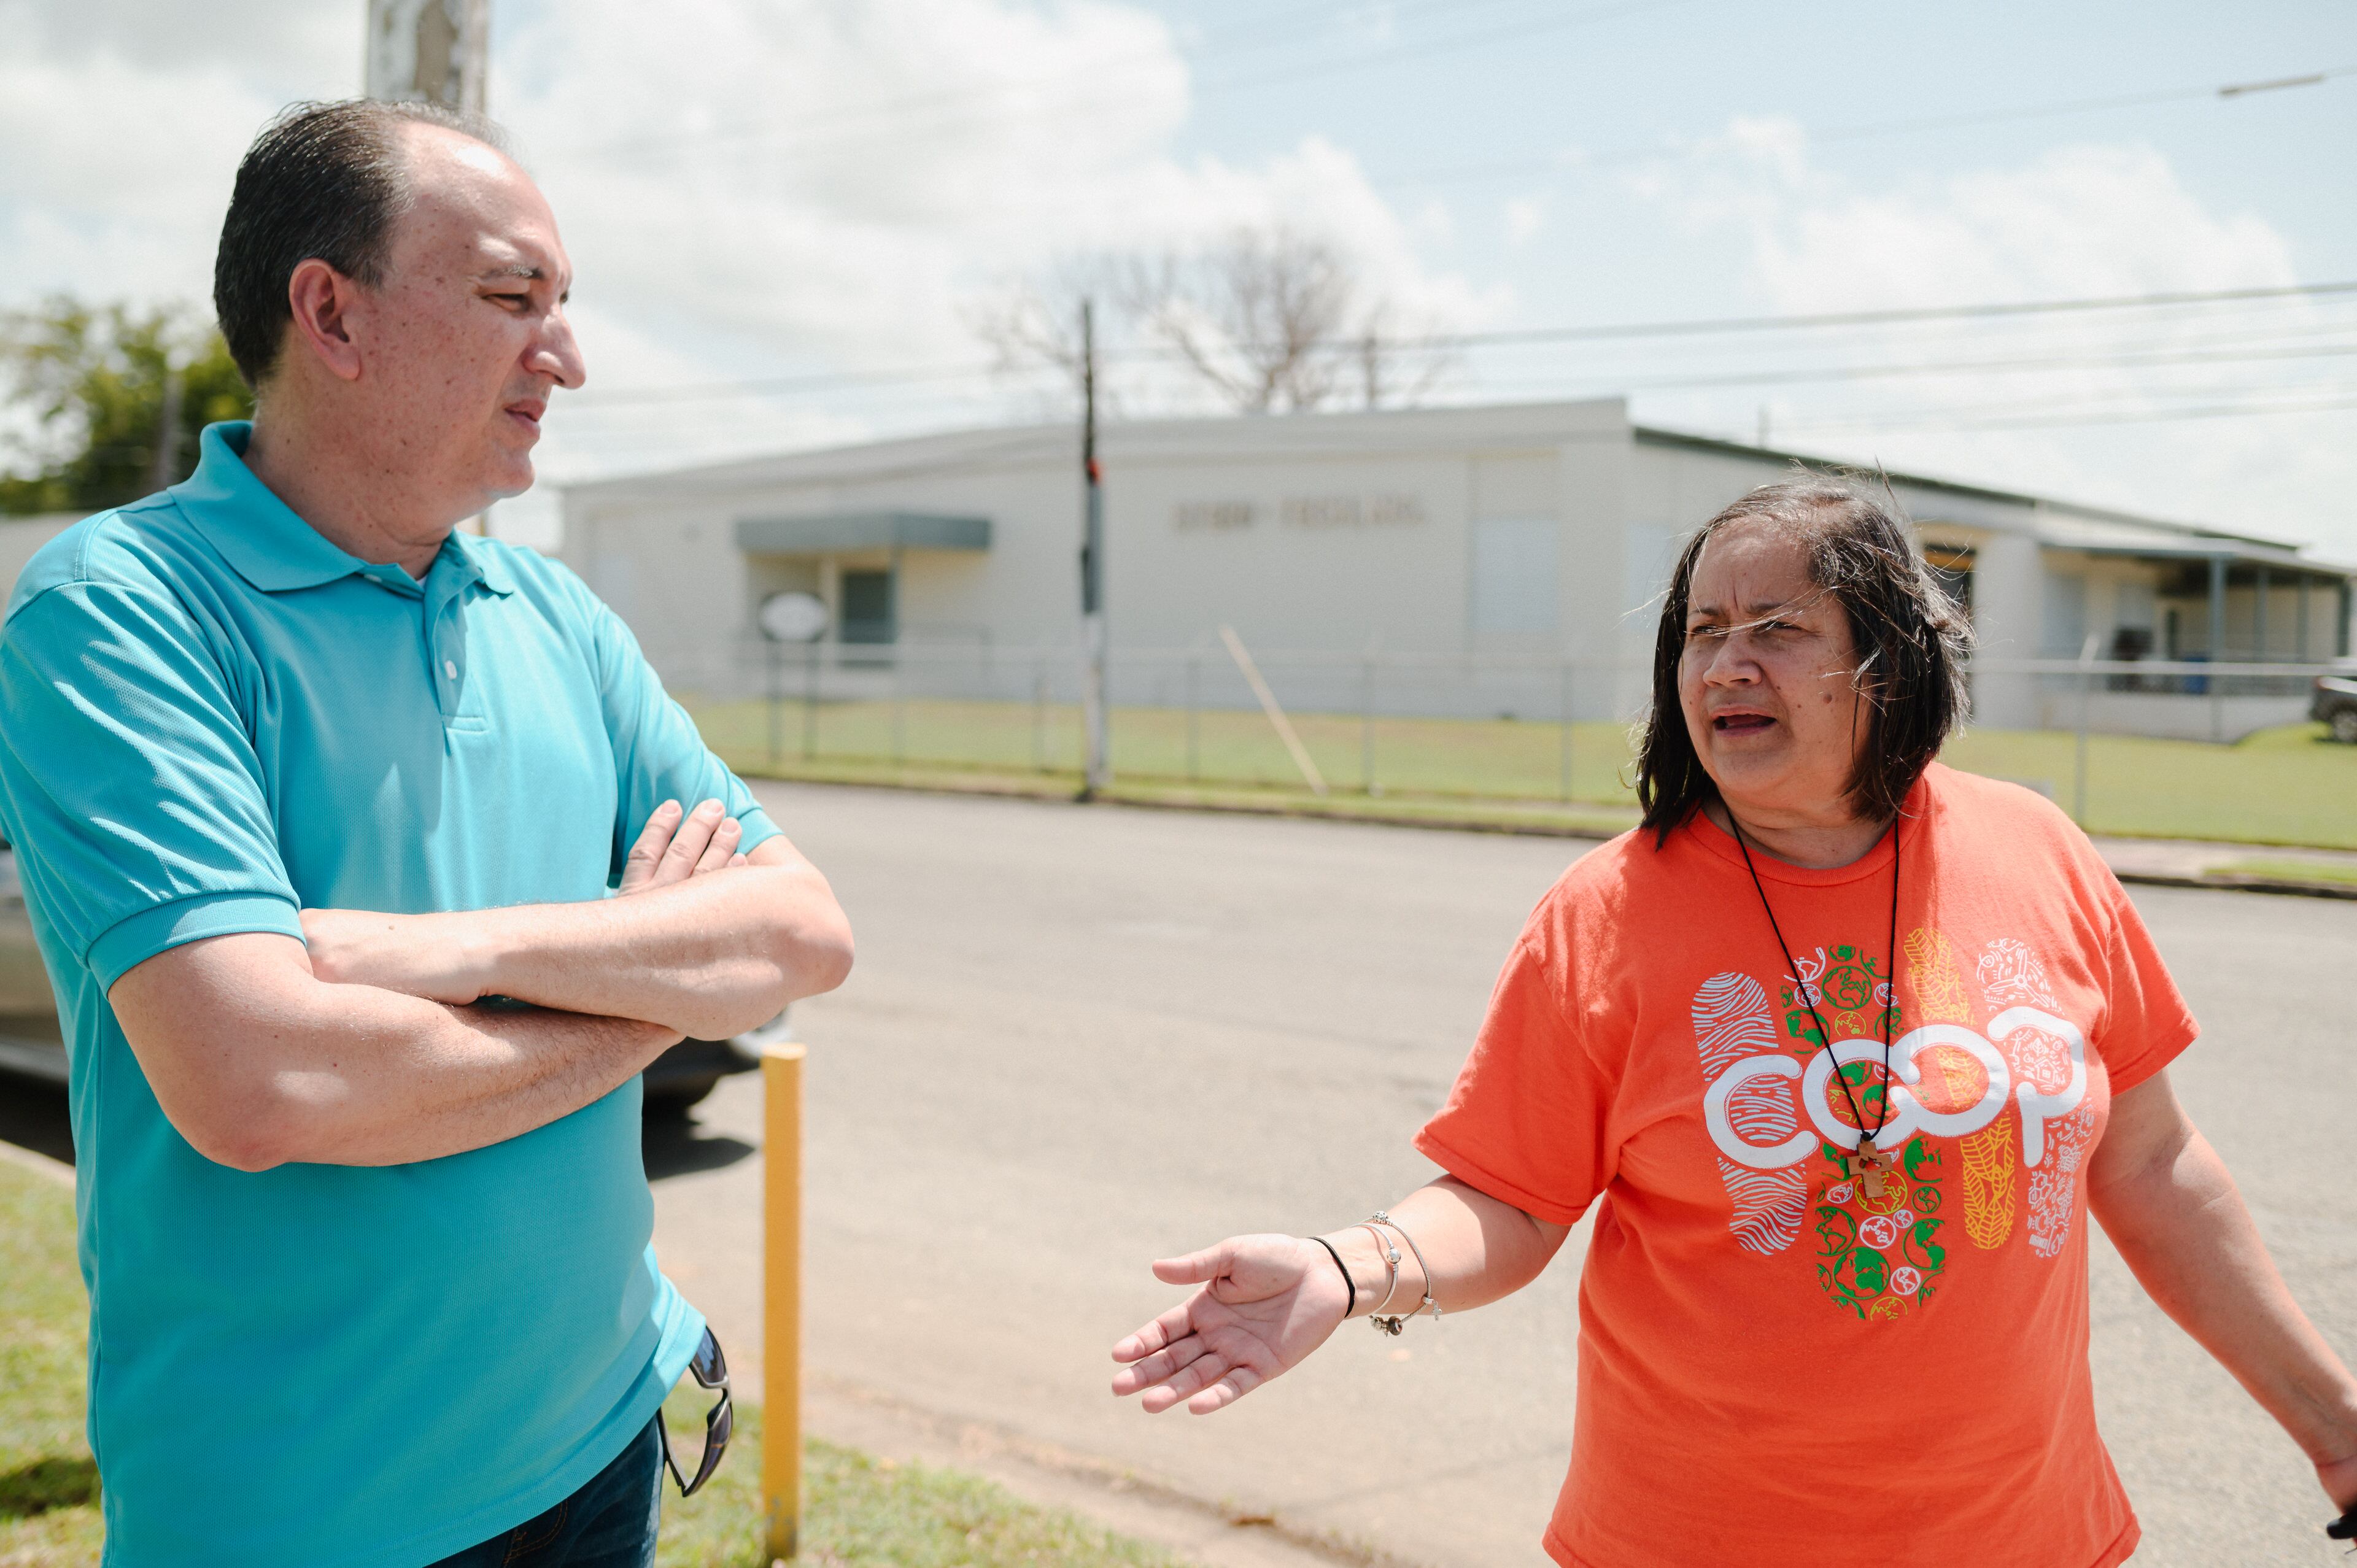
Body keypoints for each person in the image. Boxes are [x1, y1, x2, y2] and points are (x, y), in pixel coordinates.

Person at [1110, 478, 2357, 1566]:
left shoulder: (2040, 853)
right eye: (1703, 632)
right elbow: (1510, 1200)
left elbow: (2150, 1164)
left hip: (2027, 1536)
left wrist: (2337, 1428)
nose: (1725, 665)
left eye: (1777, 628)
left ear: (1890, 658)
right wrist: (1346, 1265)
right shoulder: (1604, 914)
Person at [0, 99, 853, 1567]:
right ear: (330, 313)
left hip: (599, 1441)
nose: (566, 357)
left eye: (565, 309)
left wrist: (447, 954)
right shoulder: (121, 613)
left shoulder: (558, 617)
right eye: (516, 299)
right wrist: (650, 1001)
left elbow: (799, 937)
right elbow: (266, 1080)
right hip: (300, 1511)